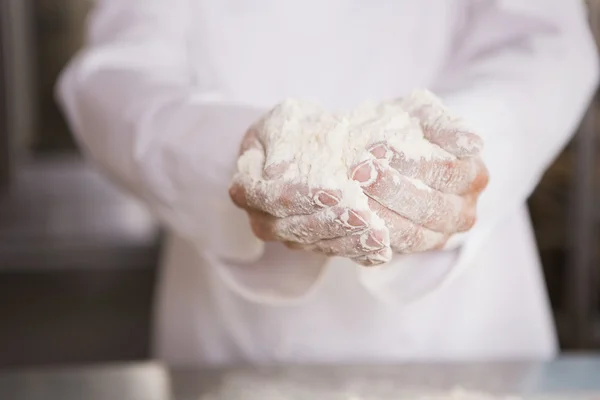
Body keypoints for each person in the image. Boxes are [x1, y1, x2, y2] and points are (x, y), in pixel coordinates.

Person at [56, 0, 599, 366]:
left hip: (461, 329)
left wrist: (460, 153)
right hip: (236, 341)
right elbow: (112, 77)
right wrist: (228, 155)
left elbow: (545, 43)